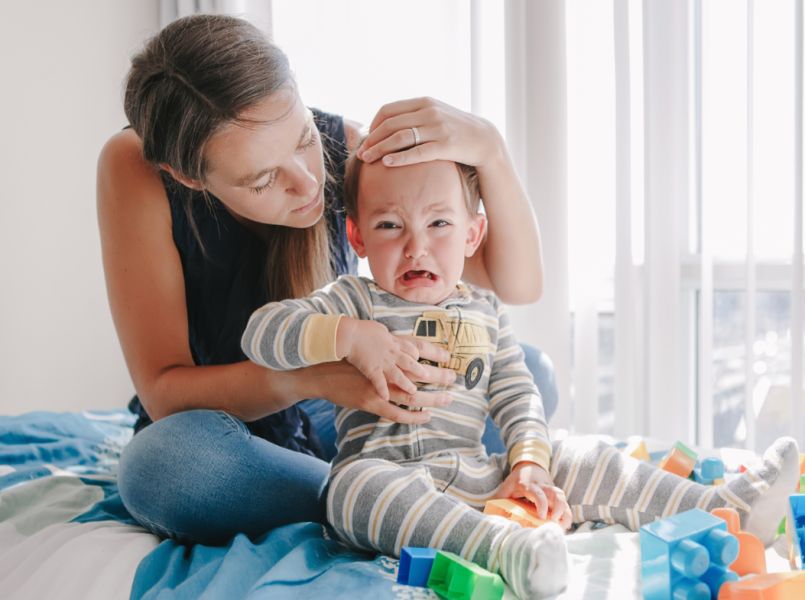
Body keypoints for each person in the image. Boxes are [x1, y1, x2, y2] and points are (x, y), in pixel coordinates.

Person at [240, 152, 801, 598]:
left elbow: (516, 394)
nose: (416, 245)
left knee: (577, 454)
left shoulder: (485, 310)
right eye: (389, 225)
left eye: (439, 223)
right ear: (357, 237)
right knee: (349, 488)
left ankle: (726, 508)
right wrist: (346, 336)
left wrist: (530, 465)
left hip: (476, 474)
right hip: (389, 479)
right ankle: (503, 550)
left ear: (471, 235)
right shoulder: (352, 298)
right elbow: (261, 334)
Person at [98, 14, 550, 545]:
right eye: (264, 179)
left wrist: (490, 151)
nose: (310, 182)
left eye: (303, 138)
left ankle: (388, 497)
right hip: (230, 424)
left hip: (336, 416)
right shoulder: (136, 167)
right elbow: (163, 393)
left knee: (532, 374)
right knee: (164, 465)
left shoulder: (351, 149)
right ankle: (371, 496)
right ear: (188, 177)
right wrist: (310, 376)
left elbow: (515, 284)